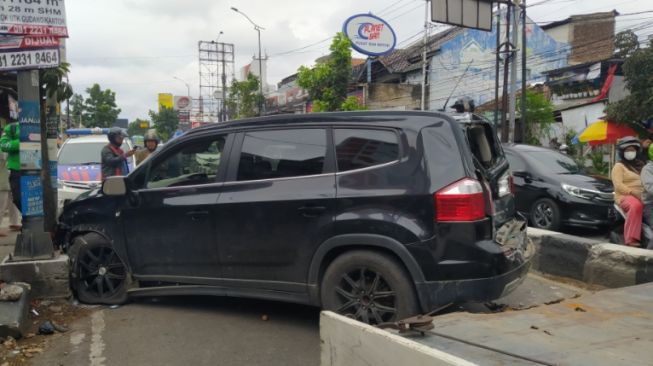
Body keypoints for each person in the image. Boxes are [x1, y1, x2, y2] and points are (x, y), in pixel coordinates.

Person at [612, 136, 645, 247]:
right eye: (627, 150)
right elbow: (618, 185)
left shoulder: (641, 165)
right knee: (636, 206)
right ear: (622, 152)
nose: (630, 152)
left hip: (643, 195)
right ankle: (631, 239)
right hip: (625, 196)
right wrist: (633, 192)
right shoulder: (619, 166)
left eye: (632, 150)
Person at [0, 122, 21, 215]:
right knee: (17, 199)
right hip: (15, 170)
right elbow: (3, 145)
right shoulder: (12, 127)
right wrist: (21, 143)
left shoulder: (37, 127)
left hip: (36, 170)